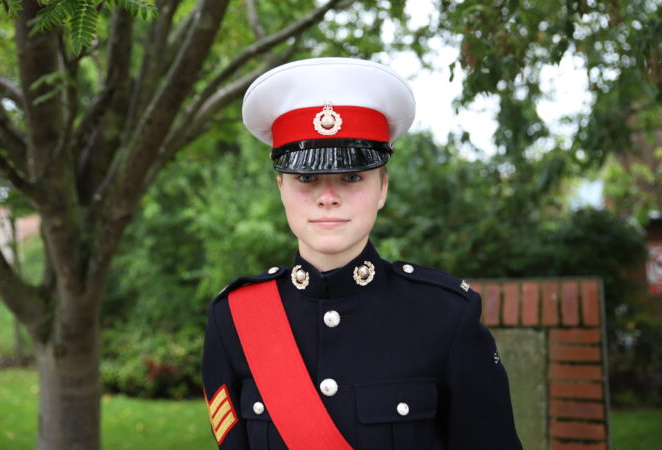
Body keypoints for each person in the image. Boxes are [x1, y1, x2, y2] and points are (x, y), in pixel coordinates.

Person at [201, 57, 522, 450]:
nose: (328, 198)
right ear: (280, 187)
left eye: (352, 177)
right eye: (306, 178)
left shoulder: (446, 316)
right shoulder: (233, 318)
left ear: (382, 187)